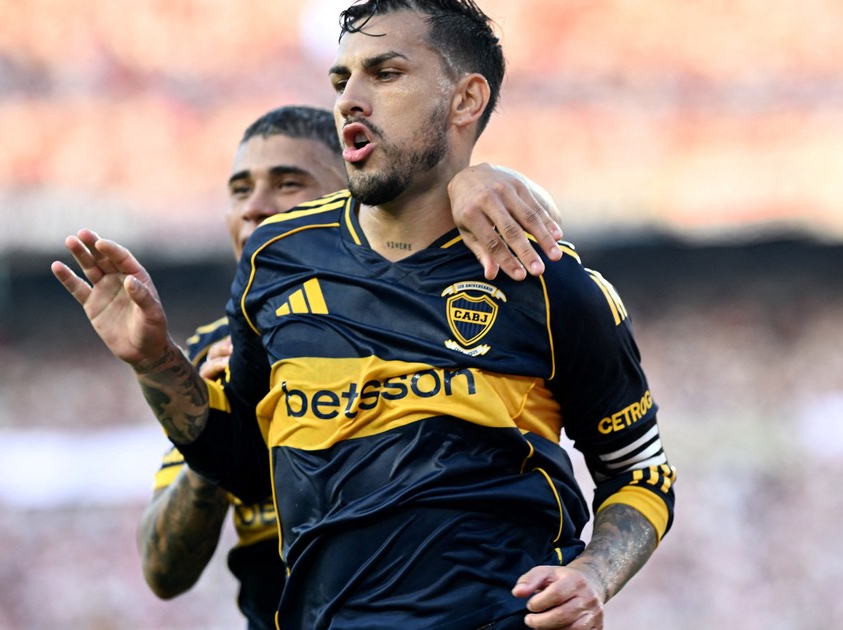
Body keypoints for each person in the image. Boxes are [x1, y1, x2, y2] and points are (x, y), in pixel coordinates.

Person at [55, 2, 675, 627]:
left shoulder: (547, 282)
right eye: (341, 79)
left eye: (385, 73)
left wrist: (594, 575)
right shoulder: (276, 259)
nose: (350, 98)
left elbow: (641, 473)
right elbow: (243, 462)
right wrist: (156, 362)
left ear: (465, 100)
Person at [127, 104, 570, 629]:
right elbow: (162, 572)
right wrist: (217, 437)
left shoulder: (432, 317)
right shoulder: (210, 354)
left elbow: (549, 252)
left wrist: (486, 179)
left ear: (353, 196)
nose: (255, 208)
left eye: (288, 183)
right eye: (240, 190)